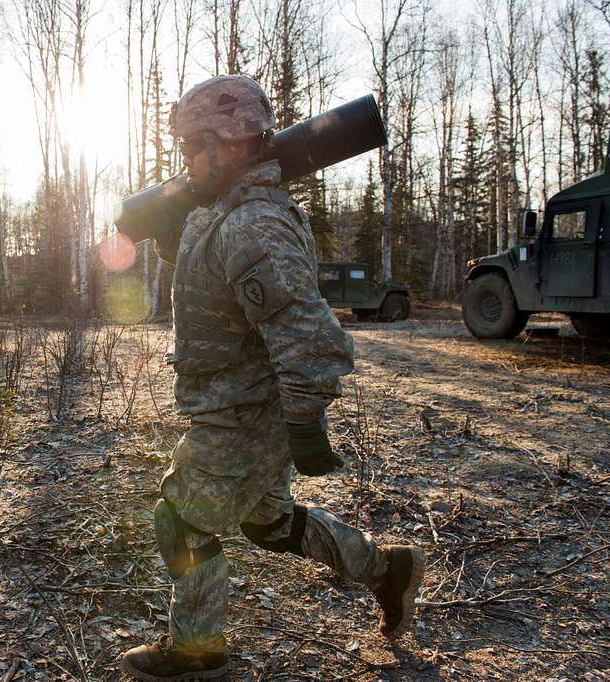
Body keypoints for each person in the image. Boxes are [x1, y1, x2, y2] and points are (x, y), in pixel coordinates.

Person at [120, 75, 425, 681]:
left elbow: (311, 338)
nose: (184, 163)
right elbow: (224, 285)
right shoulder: (229, 211)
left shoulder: (252, 222)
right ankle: (386, 569)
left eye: (190, 148)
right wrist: (173, 240)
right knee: (270, 522)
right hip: (241, 404)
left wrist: (306, 422)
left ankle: (199, 653)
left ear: (227, 143)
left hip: (245, 411)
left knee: (181, 517)